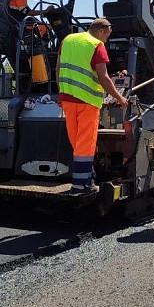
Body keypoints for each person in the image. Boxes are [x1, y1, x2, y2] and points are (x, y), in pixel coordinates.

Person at [57, 18, 128, 194]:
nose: (107, 39)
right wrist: (120, 98)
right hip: (87, 101)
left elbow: (58, 68)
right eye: (108, 34)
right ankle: (80, 185)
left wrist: (61, 91)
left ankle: (87, 176)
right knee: (85, 144)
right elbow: (103, 77)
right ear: (103, 31)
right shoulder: (97, 45)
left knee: (76, 141)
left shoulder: (68, 40)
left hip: (67, 99)